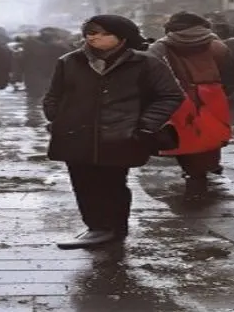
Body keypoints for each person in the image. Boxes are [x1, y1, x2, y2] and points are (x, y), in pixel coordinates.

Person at [43, 15, 183, 249]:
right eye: (89, 32)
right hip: (75, 134)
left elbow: (170, 95)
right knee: (82, 182)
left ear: (121, 37)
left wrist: (144, 125)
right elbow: (53, 95)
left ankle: (112, 229)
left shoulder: (145, 63)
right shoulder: (69, 61)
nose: (92, 37)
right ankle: (96, 227)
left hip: (120, 135)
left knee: (112, 183)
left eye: (101, 33)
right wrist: (58, 117)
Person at [147, 12, 234, 195]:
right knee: (212, 133)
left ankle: (193, 174)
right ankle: (208, 165)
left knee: (184, 136)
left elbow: (151, 72)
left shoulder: (160, 47)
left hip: (178, 95)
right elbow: (230, 70)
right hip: (213, 94)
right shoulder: (217, 45)